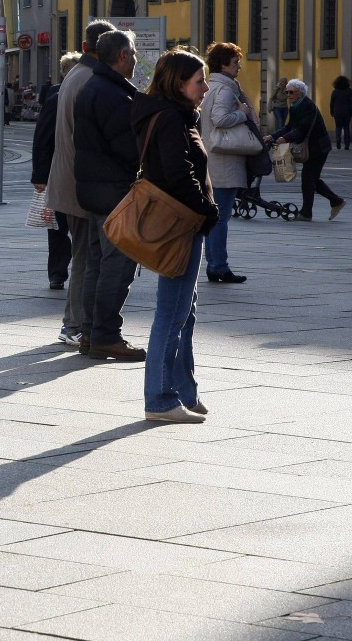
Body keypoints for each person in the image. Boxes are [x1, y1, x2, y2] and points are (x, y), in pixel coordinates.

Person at [132, 49, 220, 424]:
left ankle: (184, 390)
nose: (205, 87)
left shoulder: (173, 114)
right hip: (181, 225)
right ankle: (161, 399)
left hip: (183, 224)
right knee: (172, 313)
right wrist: (206, 209)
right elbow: (178, 173)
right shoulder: (171, 119)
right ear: (178, 83)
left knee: (185, 310)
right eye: (199, 80)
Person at [74, 28, 146, 362]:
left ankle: (90, 332)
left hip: (94, 190)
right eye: (132, 53)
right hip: (114, 191)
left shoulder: (94, 86)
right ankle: (105, 334)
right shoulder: (112, 94)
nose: (134, 59)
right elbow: (129, 149)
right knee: (116, 266)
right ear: (121, 56)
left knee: (97, 265)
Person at [46, 21, 117, 349]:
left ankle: (71, 322)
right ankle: (74, 324)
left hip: (70, 181)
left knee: (84, 255)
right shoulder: (89, 80)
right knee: (87, 258)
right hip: (81, 184)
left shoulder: (76, 75)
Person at [200, 42, 253, 284]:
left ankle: (214, 264)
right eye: (235, 62)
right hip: (224, 161)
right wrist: (242, 112)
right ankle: (219, 266)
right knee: (220, 217)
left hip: (213, 160)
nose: (239, 66)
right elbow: (220, 118)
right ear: (223, 64)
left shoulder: (210, 87)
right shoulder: (225, 90)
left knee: (214, 217)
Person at [31, 52, 80, 296]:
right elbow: (42, 138)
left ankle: (65, 274)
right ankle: (58, 273)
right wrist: (40, 176)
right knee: (59, 226)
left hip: (72, 173)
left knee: (66, 228)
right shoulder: (56, 97)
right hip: (61, 172)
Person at [268, 80, 345, 221]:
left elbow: (302, 129)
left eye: (291, 92)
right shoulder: (295, 105)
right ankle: (335, 201)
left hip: (319, 148)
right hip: (312, 147)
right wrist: (271, 136)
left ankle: (307, 213)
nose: (288, 95)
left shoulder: (307, 106)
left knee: (309, 178)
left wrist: (285, 139)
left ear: (300, 93)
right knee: (311, 178)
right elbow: (289, 126)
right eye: (286, 92)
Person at [329, 75, 352, 151]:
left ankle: (338, 138)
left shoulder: (335, 92)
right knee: (346, 128)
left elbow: (332, 103)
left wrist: (332, 111)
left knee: (338, 127)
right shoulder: (349, 91)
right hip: (347, 112)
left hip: (337, 112)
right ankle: (347, 145)